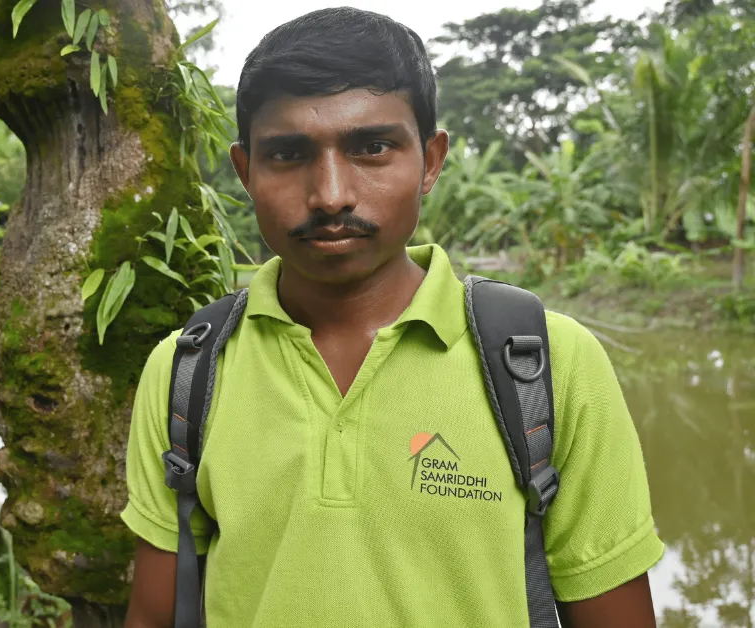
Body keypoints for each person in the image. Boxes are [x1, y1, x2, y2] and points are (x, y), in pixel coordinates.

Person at [119, 7, 664, 628]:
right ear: (246, 173)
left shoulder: (545, 364)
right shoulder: (186, 373)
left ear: (430, 161)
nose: (330, 195)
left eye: (372, 147)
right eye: (288, 154)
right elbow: (153, 615)